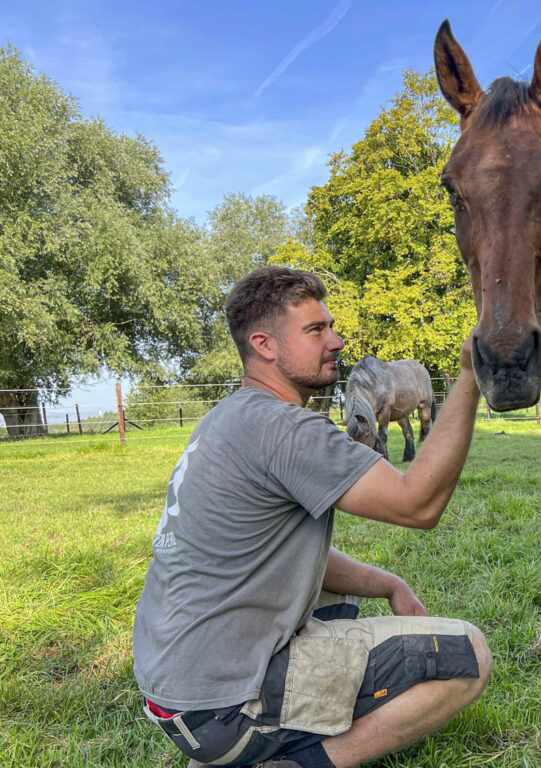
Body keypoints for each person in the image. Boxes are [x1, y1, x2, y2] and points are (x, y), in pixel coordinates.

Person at [132, 266, 491, 768]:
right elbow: (418, 504)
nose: (337, 340)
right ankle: (295, 762)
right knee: (469, 655)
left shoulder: (226, 418)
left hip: (176, 695)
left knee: (338, 589)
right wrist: (471, 377)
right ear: (265, 345)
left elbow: (283, 555)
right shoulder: (284, 428)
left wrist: (389, 584)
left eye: (331, 326)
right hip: (226, 706)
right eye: (316, 330)